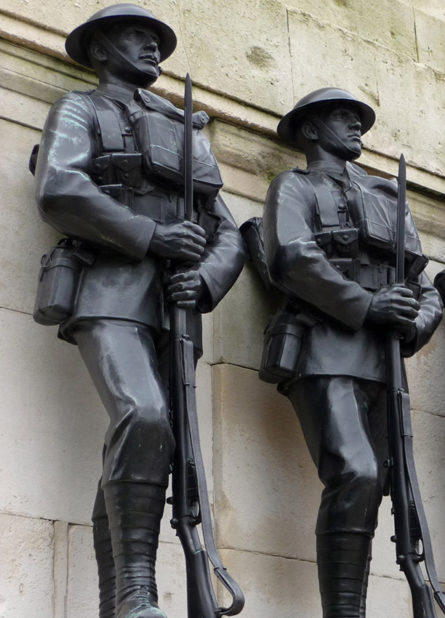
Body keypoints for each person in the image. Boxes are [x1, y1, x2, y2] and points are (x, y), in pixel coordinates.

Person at [32, 5, 245, 617]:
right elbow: (61, 189)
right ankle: (137, 591)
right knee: (144, 416)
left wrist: (204, 280)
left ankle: (120, 601)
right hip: (108, 292)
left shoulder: (183, 132)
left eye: (158, 39)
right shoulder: (82, 109)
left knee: (157, 441)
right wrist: (151, 238)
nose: (153, 47)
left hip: (177, 307)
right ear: (100, 50)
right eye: (137, 37)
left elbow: (225, 230)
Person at [260, 87, 443, 617]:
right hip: (323, 348)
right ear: (311, 130)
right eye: (343, 118)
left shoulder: (389, 199)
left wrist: (413, 326)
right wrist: (366, 306)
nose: (356, 126)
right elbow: (291, 256)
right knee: (355, 472)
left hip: (385, 359)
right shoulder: (293, 187)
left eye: (358, 118)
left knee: (386, 484)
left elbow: (424, 285)